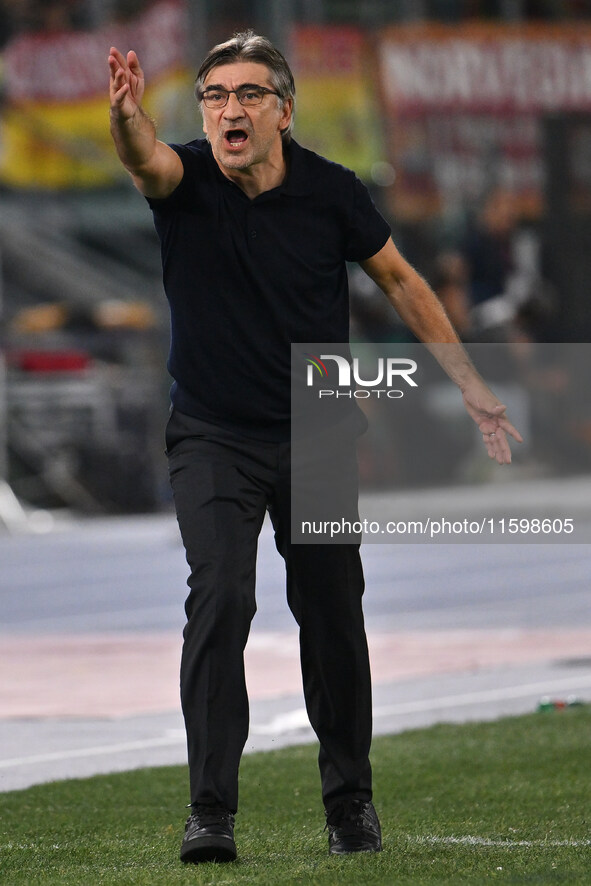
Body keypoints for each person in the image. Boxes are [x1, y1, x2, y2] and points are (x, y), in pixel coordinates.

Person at [108, 31, 522, 865]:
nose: (229, 109)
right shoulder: (184, 180)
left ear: (283, 112)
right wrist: (124, 117)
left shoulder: (331, 192)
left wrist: (471, 383)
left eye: (248, 94)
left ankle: (350, 806)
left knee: (332, 613)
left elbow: (400, 279)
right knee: (220, 598)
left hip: (321, 433)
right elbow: (143, 159)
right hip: (214, 436)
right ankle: (210, 814)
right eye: (215, 95)